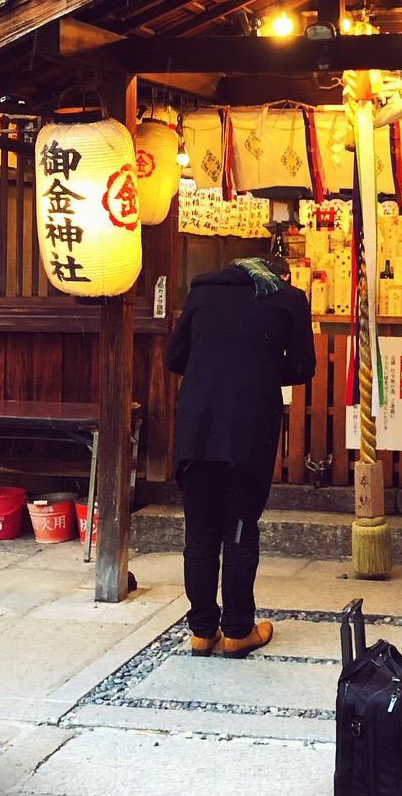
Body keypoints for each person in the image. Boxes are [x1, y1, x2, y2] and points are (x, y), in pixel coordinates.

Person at [165, 255, 315, 658]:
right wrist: (258, 368)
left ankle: (201, 632)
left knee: (198, 533)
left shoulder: (202, 290)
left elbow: (174, 358)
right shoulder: (288, 298)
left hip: (198, 428)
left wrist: (215, 365)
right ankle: (237, 631)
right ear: (278, 275)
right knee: (239, 530)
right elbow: (303, 367)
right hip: (248, 431)